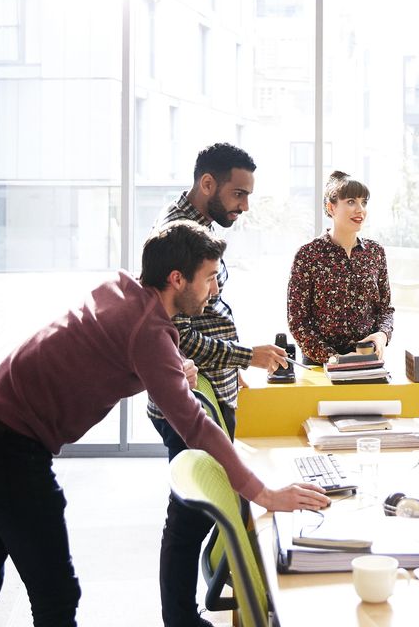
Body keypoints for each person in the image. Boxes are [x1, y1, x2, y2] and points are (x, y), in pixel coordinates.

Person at [0, 220, 328, 627]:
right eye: (210, 278)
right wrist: (263, 493)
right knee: (56, 596)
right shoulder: (148, 331)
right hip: (7, 450)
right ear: (177, 279)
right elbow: (193, 423)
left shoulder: (126, 292)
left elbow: (111, 346)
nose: (215, 289)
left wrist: (171, 368)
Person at [149, 143, 288, 627]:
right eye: (238, 194)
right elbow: (180, 334)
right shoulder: (177, 234)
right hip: (186, 394)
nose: (244, 206)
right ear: (207, 184)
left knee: (204, 508)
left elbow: (209, 316)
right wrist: (244, 355)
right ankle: (180, 619)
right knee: (187, 516)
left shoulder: (200, 228)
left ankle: (199, 600)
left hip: (214, 387)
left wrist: (234, 369)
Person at [287, 170, 395, 363]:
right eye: (351, 201)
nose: (360, 209)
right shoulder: (308, 255)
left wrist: (382, 335)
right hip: (321, 365)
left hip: (367, 360)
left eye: (364, 202)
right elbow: (298, 321)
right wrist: (335, 359)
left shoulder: (375, 252)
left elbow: (385, 309)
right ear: (331, 207)